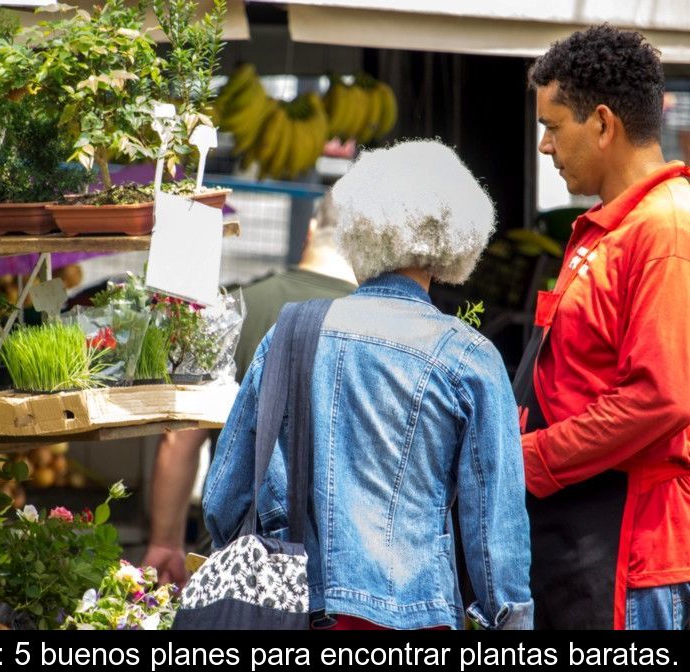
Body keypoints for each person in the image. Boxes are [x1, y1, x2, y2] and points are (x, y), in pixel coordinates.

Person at [203, 140, 533, 630]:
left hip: (297, 612)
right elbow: (494, 538)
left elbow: (222, 500)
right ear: (456, 241)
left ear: (358, 230)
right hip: (419, 619)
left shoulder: (289, 333)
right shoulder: (469, 358)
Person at [515, 24, 690, 630]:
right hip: (585, 541)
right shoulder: (611, 226)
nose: (544, 145)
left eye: (552, 125)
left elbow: (660, 398)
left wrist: (528, 459)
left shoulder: (666, 228)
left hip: (633, 559)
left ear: (603, 124)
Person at [141, 194, 357, 587]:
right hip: (341, 575)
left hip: (236, 563)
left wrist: (165, 541)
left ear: (310, 230)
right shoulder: (379, 327)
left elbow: (182, 441)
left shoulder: (240, 308)